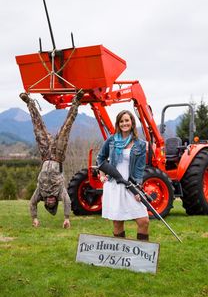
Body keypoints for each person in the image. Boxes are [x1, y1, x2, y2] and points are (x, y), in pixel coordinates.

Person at [19, 89, 84, 228]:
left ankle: (29, 102)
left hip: (45, 154)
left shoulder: (40, 194)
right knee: (66, 127)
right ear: (55, 203)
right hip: (58, 155)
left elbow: (32, 203)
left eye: (47, 203)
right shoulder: (60, 193)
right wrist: (66, 218)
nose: (49, 201)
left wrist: (34, 218)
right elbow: (67, 201)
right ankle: (76, 101)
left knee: (38, 127)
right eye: (51, 204)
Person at [96, 110, 149, 241]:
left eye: (127, 120)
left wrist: (137, 188)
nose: (124, 123)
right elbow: (100, 158)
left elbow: (139, 169)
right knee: (118, 223)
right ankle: (120, 255)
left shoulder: (140, 144)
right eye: (121, 121)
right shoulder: (112, 140)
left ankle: (141, 256)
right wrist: (102, 175)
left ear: (132, 122)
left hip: (130, 184)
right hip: (114, 184)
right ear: (118, 124)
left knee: (143, 221)